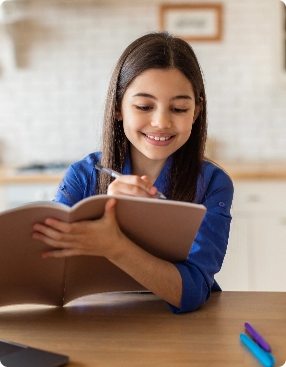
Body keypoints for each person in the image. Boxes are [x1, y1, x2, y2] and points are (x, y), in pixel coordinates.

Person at [32, 31, 234, 314]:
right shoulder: (83, 176)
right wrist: (104, 212)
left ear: (196, 111)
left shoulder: (213, 183)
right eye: (143, 106)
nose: (161, 122)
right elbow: (48, 273)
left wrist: (116, 246)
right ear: (118, 108)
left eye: (178, 108)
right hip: (95, 324)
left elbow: (193, 290)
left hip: (180, 333)